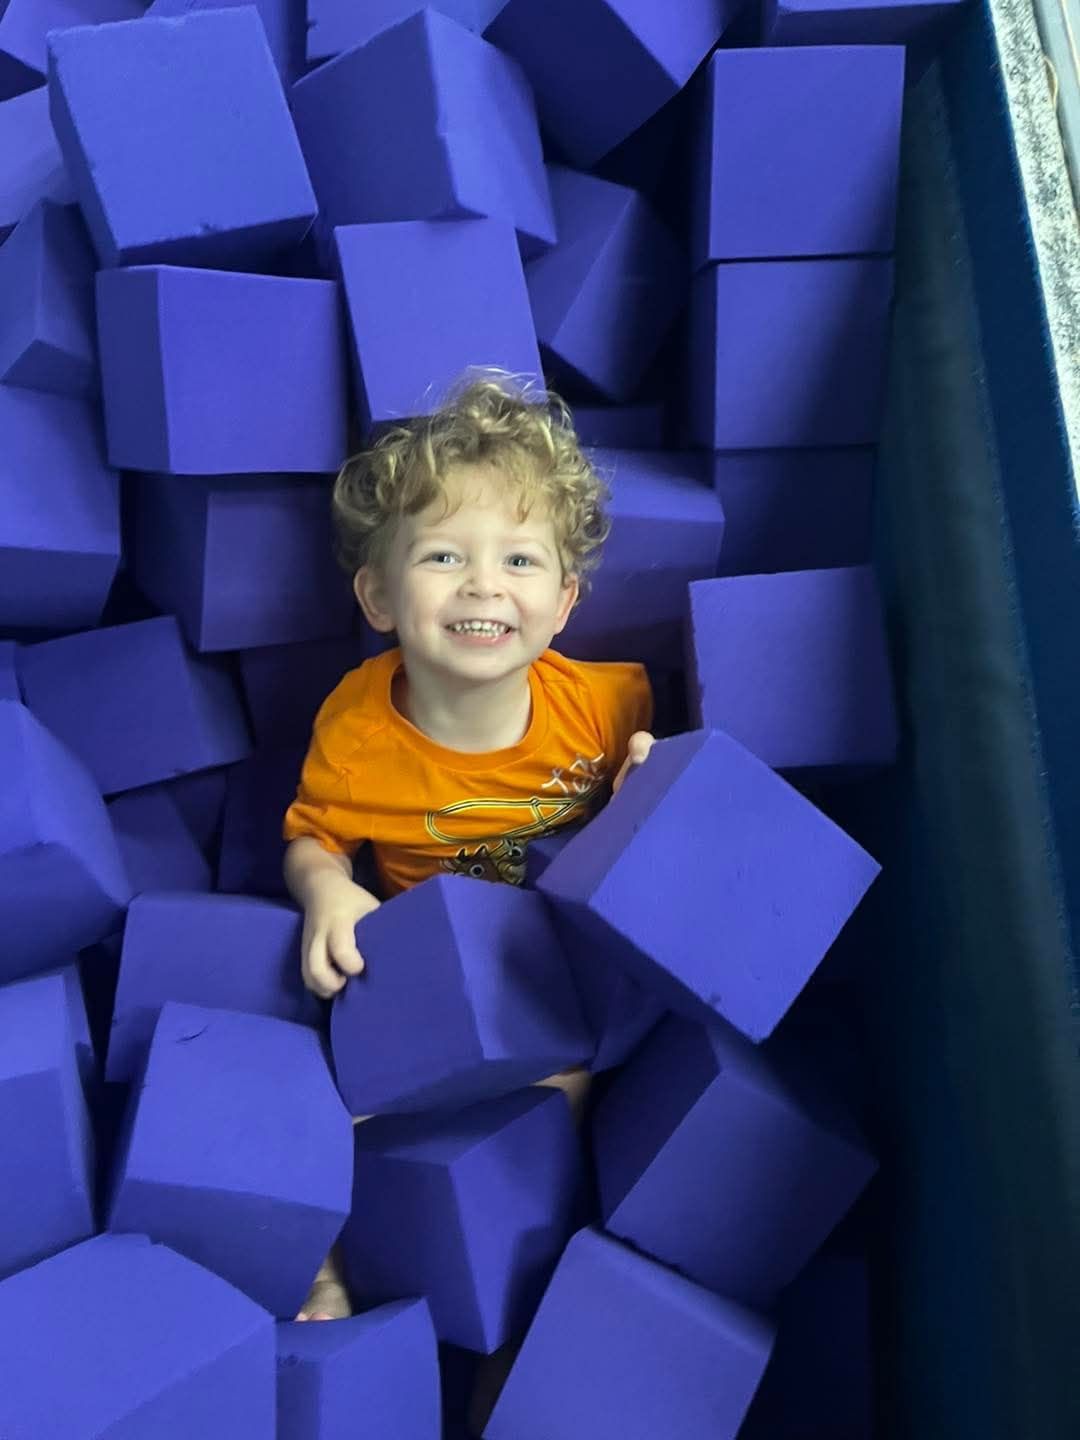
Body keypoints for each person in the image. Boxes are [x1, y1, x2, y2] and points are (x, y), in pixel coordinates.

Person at [282, 370, 656, 1320]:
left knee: (561, 1088)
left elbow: (663, 795)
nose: (485, 582)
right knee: (334, 1102)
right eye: (444, 556)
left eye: (520, 562)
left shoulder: (603, 705)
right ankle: (331, 1277)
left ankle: (514, 1280)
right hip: (421, 972)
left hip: (548, 969)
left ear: (566, 601)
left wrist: (657, 780)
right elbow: (313, 837)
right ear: (377, 596)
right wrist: (327, 892)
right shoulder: (359, 731)